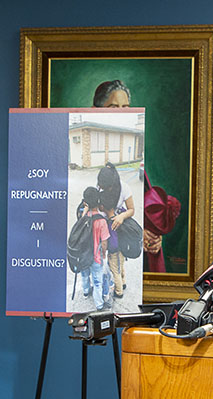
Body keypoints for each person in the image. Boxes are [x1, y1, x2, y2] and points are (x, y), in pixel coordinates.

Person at [93, 79, 181, 272]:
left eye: (126, 107)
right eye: (114, 107)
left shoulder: (134, 158)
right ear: (97, 109)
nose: (122, 112)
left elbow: (144, 210)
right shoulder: (94, 161)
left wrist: (152, 237)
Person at [97, 162, 134, 298]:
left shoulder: (124, 188)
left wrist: (121, 217)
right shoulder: (100, 186)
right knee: (118, 262)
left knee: (115, 261)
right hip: (105, 229)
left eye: (106, 188)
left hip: (115, 229)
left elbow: (131, 210)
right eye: (100, 186)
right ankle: (122, 282)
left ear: (112, 185)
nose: (102, 189)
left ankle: (119, 290)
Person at [80, 187, 112, 311]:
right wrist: (103, 253)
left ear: (85, 202)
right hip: (96, 256)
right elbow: (104, 242)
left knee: (84, 274)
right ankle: (99, 304)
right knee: (97, 280)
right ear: (98, 201)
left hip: (83, 254)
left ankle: (86, 291)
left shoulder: (83, 217)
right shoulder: (101, 221)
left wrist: (85, 208)